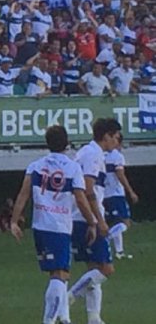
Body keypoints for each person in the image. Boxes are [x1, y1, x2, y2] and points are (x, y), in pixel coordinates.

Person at [10, 124, 99, 324]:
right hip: (58, 227)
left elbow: (23, 194)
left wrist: (14, 220)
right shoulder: (72, 167)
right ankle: (48, 320)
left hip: (40, 226)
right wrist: (92, 222)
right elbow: (81, 198)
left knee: (59, 273)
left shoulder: (36, 165)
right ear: (66, 143)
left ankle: (65, 318)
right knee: (59, 274)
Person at [68, 118, 122, 324]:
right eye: (115, 137)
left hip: (77, 215)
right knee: (106, 269)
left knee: (92, 269)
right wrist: (98, 219)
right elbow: (88, 188)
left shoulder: (84, 152)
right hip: (86, 216)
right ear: (106, 135)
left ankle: (94, 317)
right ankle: (69, 296)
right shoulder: (94, 155)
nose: (116, 142)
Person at [103, 134, 138, 259]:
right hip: (115, 194)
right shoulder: (117, 156)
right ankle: (104, 240)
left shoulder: (102, 155)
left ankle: (119, 251)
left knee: (115, 222)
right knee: (125, 222)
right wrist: (130, 191)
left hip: (103, 194)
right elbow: (120, 175)